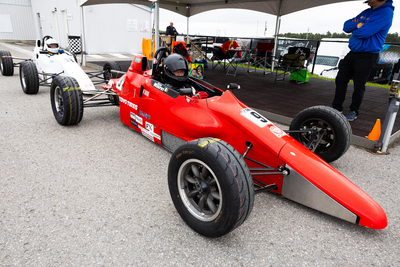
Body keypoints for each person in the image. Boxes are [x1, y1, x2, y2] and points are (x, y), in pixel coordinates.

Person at [331, 0, 394, 121]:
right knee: (340, 79)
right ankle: (336, 106)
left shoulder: (386, 12)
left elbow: (364, 32)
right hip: (353, 52)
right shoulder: (366, 12)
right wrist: (361, 24)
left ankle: (354, 111)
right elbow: (346, 26)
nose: (367, 1)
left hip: (368, 54)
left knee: (359, 84)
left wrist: (358, 24)